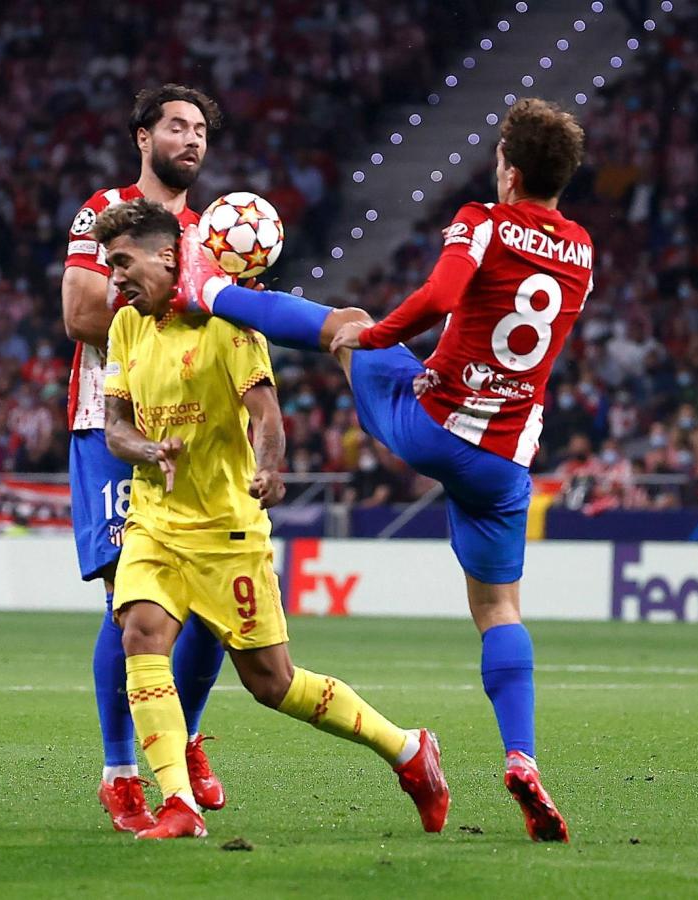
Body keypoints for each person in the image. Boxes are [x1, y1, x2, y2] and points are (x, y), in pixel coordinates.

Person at [174, 98, 588, 842]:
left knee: (348, 328)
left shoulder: (482, 220)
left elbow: (439, 296)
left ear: (510, 167)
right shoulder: (584, 250)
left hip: (435, 426)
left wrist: (379, 341)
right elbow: (505, 327)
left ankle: (211, 291)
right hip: (504, 461)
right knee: (499, 611)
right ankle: (522, 757)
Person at [95, 198, 447, 840]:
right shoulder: (124, 328)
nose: (113, 277)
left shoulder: (229, 325)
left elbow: (265, 416)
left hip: (227, 531)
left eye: (121, 262)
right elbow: (115, 425)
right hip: (154, 521)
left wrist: (270, 468)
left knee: (272, 683)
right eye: (107, 264)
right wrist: (148, 449)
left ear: (167, 256)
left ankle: (407, 749)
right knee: (140, 635)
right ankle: (179, 803)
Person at [60, 84, 230, 832]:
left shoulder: (212, 229)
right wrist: (174, 306)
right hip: (112, 421)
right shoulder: (106, 209)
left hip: (194, 429)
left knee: (214, 604)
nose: (190, 139)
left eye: (199, 130)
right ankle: (121, 772)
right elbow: (78, 313)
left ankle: (183, 739)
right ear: (142, 135)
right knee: (129, 601)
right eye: (176, 126)